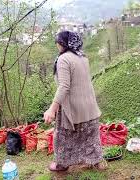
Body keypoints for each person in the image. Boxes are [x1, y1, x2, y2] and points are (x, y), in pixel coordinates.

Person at [44, 31, 106, 172]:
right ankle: (95, 162)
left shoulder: (64, 59)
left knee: (62, 137)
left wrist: (52, 109)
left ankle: (62, 164)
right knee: (90, 137)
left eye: (58, 42)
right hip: (90, 106)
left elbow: (64, 86)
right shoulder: (83, 57)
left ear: (63, 43)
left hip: (73, 107)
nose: (57, 45)